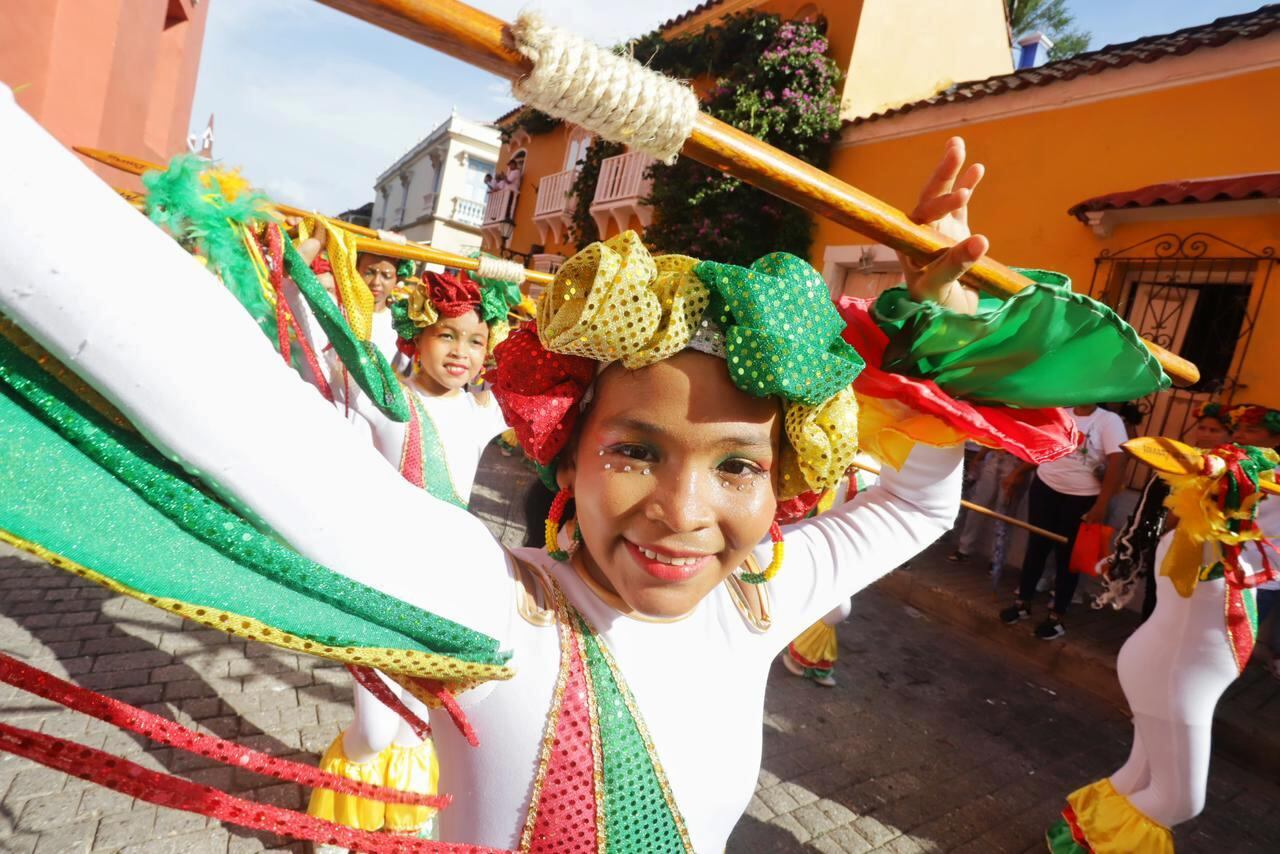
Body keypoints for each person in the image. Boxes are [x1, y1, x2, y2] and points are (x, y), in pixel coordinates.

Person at [0, 115, 1170, 851]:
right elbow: (224, 399)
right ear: (565, 450)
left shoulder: (755, 604)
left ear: (783, 487)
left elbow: (918, 503)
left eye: (735, 465)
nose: (682, 508)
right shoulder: (497, 610)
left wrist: (939, 346)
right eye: (634, 450)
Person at [307, 270, 512, 842]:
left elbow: (550, 358)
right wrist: (306, 273)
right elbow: (320, 354)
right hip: (382, 583)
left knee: (415, 728)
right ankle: (342, 819)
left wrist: (521, 285)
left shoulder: (480, 412)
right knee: (373, 731)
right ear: (415, 336)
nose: (461, 352)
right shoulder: (386, 401)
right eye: (447, 334)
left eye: (476, 341)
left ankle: (398, 816)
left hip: (447, 590)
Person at [1047, 440, 1278, 852]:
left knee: (1141, 775)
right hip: (1173, 678)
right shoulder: (1200, 542)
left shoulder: (1217, 541)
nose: (1260, 502)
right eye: (1251, 492)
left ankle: (1076, 840)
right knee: (1179, 801)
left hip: (1170, 672)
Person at [1000, 403, 1129, 639]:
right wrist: (1019, 472)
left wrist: (1101, 503)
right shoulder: (1062, 413)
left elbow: (1117, 463)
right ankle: (1022, 603)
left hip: (1081, 498)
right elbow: (1044, 448)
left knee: (1067, 558)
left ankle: (1057, 616)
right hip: (1045, 488)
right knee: (1036, 548)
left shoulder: (1109, 421)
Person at [1095, 402, 1234, 620]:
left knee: (1182, 609)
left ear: (1228, 435)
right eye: (1202, 428)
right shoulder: (1180, 459)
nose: (1205, 434)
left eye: (1214, 430)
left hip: (1200, 551)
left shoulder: (1231, 470)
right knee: (1155, 598)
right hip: (1165, 543)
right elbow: (1153, 501)